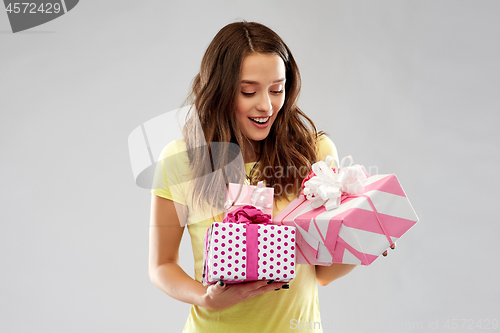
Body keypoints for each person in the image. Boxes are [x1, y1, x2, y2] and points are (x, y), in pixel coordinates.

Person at [148, 21, 363, 333]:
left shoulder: (314, 152)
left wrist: (362, 241)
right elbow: (161, 265)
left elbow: (322, 273)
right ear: (219, 92)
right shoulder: (182, 160)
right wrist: (206, 298)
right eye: (248, 92)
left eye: (277, 89)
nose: (266, 105)